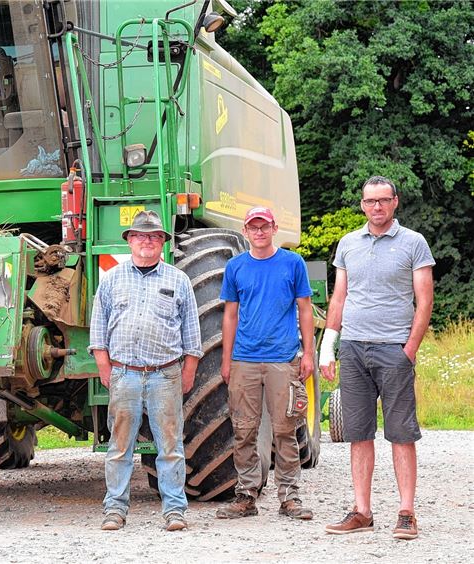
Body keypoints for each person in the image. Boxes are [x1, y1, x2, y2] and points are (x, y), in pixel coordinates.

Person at [319, 176, 434, 540]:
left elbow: (425, 301)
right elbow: (338, 298)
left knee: (401, 434)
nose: (377, 207)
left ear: (395, 202)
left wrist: (409, 350)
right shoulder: (348, 243)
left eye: (384, 200)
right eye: (371, 201)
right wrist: (328, 347)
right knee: (358, 433)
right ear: (362, 204)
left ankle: (406, 513)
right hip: (353, 347)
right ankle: (362, 511)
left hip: (393, 349)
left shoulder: (413, 243)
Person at [89, 209, 201, 533]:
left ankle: (175, 511)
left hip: (165, 375)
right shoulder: (111, 278)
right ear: (130, 241)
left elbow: (192, 335)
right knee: (119, 445)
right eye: (140, 236)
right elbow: (98, 331)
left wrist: (188, 372)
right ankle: (115, 510)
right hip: (124, 374)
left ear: (163, 243)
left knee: (170, 446)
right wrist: (105, 368)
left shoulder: (178, 280)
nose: (147, 242)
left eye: (154, 236)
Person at [216, 207, 315, 521]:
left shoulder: (292, 263)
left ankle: (289, 497)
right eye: (253, 227)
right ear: (245, 232)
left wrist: (308, 354)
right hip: (245, 360)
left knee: (285, 431)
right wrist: (226, 359)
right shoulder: (236, 267)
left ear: (274, 228)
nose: (259, 232)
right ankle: (246, 496)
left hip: (282, 360)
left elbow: (305, 310)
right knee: (243, 431)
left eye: (264, 226)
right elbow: (230, 315)